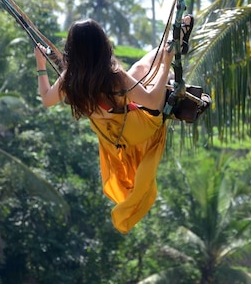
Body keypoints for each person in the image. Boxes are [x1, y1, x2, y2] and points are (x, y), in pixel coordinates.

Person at [34, 16, 194, 233]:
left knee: (139, 71)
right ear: (103, 46)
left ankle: (170, 44)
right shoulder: (114, 76)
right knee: (142, 70)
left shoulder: (69, 78)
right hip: (139, 129)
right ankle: (169, 47)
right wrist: (166, 65)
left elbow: (46, 99)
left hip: (113, 137)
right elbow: (154, 104)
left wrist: (40, 64)